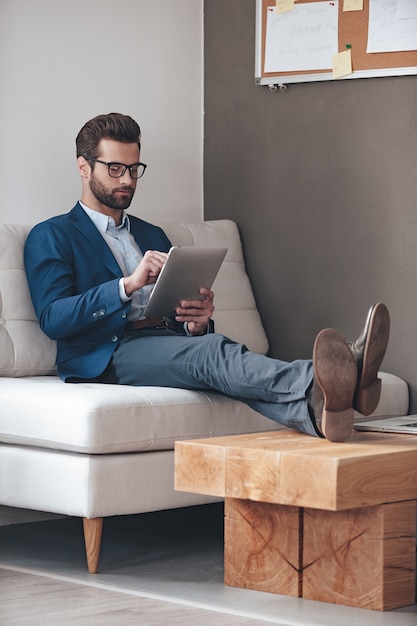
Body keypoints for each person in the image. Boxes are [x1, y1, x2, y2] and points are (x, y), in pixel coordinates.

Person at [24, 113, 390, 443]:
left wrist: (196, 322)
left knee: (212, 355)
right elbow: (54, 318)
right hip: (108, 353)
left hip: (165, 341)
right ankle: (333, 376)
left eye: (135, 169)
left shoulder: (152, 235)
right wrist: (127, 285)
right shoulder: (52, 235)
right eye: (115, 169)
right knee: (212, 354)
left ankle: (315, 413)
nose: (128, 180)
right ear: (84, 167)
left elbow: (180, 319)